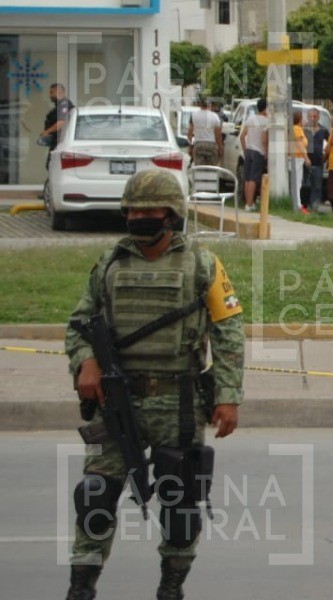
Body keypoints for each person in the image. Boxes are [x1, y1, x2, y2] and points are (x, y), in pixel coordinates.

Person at [63, 169, 244, 600]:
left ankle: (170, 589)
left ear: (172, 213)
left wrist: (228, 396)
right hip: (114, 399)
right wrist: (84, 362)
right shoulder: (110, 262)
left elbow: (228, 332)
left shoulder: (204, 264)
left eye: (150, 209)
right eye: (133, 209)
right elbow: (78, 325)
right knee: (94, 497)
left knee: (180, 508)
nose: (140, 216)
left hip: (177, 401)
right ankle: (80, 590)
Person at [238, 98, 269, 211]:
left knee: (247, 178)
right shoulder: (266, 122)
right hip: (258, 152)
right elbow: (264, 139)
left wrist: (245, 150)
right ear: (265, 108)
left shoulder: (250, 119)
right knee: (253, 179)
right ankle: (250, 204)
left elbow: (242, 136)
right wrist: (266, 151)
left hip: (249, 150)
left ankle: (247, 202)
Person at [40, 83, 75, 169]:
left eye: (52, 92)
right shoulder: (60, 105)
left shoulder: (64, 105)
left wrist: (46, 132)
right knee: (51, 165)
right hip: (57, 141)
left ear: (58, 91)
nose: (50, 95)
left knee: (52, 166)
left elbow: (61, 123)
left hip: (60, 142)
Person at [304, 108, 329, 212]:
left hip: (318, 162)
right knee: (306, 184)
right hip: (305, 161)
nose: (312, 119)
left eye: (315, 116)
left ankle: (314, 206)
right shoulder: (304, 129)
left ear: (318, 117)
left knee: (317, 185)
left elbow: (330, 142)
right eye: (310, 116)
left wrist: (326, 155)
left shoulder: (323, 130)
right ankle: (305, 205)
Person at [187, 99, 223, 167]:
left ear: (200, 105)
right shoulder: (215, 116)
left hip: (198, 144)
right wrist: (220, 148)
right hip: (211, 145)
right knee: (211, 167)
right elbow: (218, 135)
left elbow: (190, 133)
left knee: (199, 167)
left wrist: (190, 147)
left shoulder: (194, 116)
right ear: (209, 105)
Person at [290, 112, 310, 213]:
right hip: (297, 157)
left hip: (297, 158)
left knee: (297, 181)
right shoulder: (297, 129)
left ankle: (297, 203)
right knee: (297, 182)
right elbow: (299, 144)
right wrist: (306, 157)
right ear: (299, 119)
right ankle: (297, 205)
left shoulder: (295, 128)